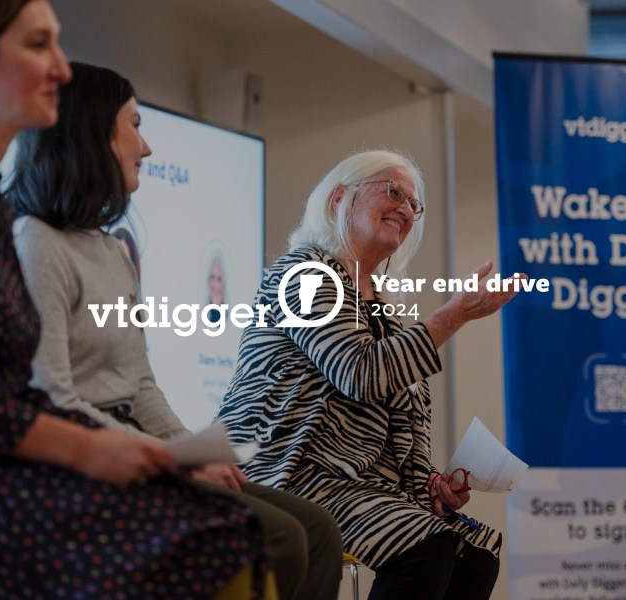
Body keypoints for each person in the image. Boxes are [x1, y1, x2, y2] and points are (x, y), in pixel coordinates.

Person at [0, 2, 272, 598]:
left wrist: (164, 449)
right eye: (38, 44)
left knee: (235, 534)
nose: (62, 69)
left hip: (10, 469)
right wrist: (99, 449)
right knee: (219, 543)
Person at [7, 61, 342, 600]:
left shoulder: (111, 249)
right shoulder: (35, 242)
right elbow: (52, 399)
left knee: (318, 529)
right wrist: (166, 460)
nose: (146, 147)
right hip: (85, 458)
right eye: (135, 126)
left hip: (136, 446)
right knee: (277, 538)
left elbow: (139, 383)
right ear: (93, 133)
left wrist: (191, 449)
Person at [216, 150, 521, 600]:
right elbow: (359, 373)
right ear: (339, 198)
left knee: (473, 556)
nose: (405, 209)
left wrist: (430, 485)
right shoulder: (303, 275)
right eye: (393, 192)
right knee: (426, 549)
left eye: (413, 204)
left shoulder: (381, 312)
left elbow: (402, 428)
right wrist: (453, 315)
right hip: (287, 474)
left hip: (351, 485)